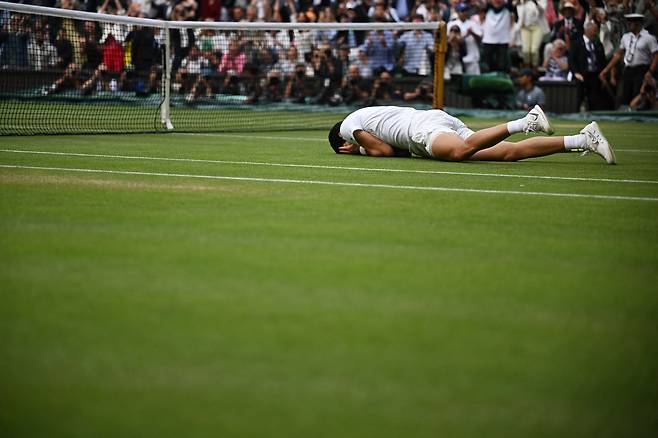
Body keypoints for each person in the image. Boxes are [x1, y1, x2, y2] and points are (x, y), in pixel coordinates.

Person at [327, 105, 616, 164]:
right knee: (508, 153)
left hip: (423, 129)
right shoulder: (362, 118)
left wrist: (360, 149)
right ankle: (582, 139)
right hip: (435, 119)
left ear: (343, 143)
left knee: (458, 152)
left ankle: (525, 121)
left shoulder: (347, 128)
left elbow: (385, 151)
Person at [599, 13, 658, 107]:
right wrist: (606, 70)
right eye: (628, 22)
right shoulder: (626, 37)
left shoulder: (649, 38)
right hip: (628, 69)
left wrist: (650, 71)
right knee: (624, 94)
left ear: (638, 23)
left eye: (631, 22)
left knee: (638, 94)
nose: (629, 24)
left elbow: (656, 55)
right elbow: (618, 54)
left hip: (642, 69)